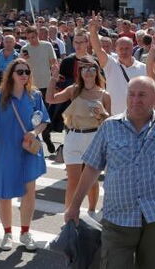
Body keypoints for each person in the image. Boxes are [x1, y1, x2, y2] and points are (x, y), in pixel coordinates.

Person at [63, 36, 155, 269]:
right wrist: (74, 207)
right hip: (118, 218)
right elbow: (91, 167)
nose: (136, 99)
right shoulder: (110, 126)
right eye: (132, 94)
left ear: (154, 98)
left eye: (142, 95)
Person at [0, 58, 50, 251]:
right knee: (5, 192)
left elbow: (44, 121)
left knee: (29, 191)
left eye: (27, 72)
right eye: (19, 72)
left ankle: (25, 232)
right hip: (4, 148)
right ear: (11, 74)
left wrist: (35, 132)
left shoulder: (35, 95)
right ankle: (7, 234)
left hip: (28, 149)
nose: (24, 75)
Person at [46, 55, 111, 215]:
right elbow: (50, 99)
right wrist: (53, 79)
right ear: (80, 72)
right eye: (84, 69)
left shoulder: (104, 94)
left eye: (92, 69)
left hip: (94, 139)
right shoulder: (73, 90)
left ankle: (91, 212)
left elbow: (108, 122)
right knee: (73, 182)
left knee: (92, 181)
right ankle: (69, 216)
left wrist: (100, 115)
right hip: (73, 137)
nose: (88, 72)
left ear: (97, 71)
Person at [89, 16, 147, 115]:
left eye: (127, 48)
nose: (124, 51)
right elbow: (98, 48)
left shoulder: (143, 68)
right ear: (115, 49)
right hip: (114, 117)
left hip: (137, 118)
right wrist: (93, 30)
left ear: (132, 48)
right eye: (121, 48)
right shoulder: (110, 63)